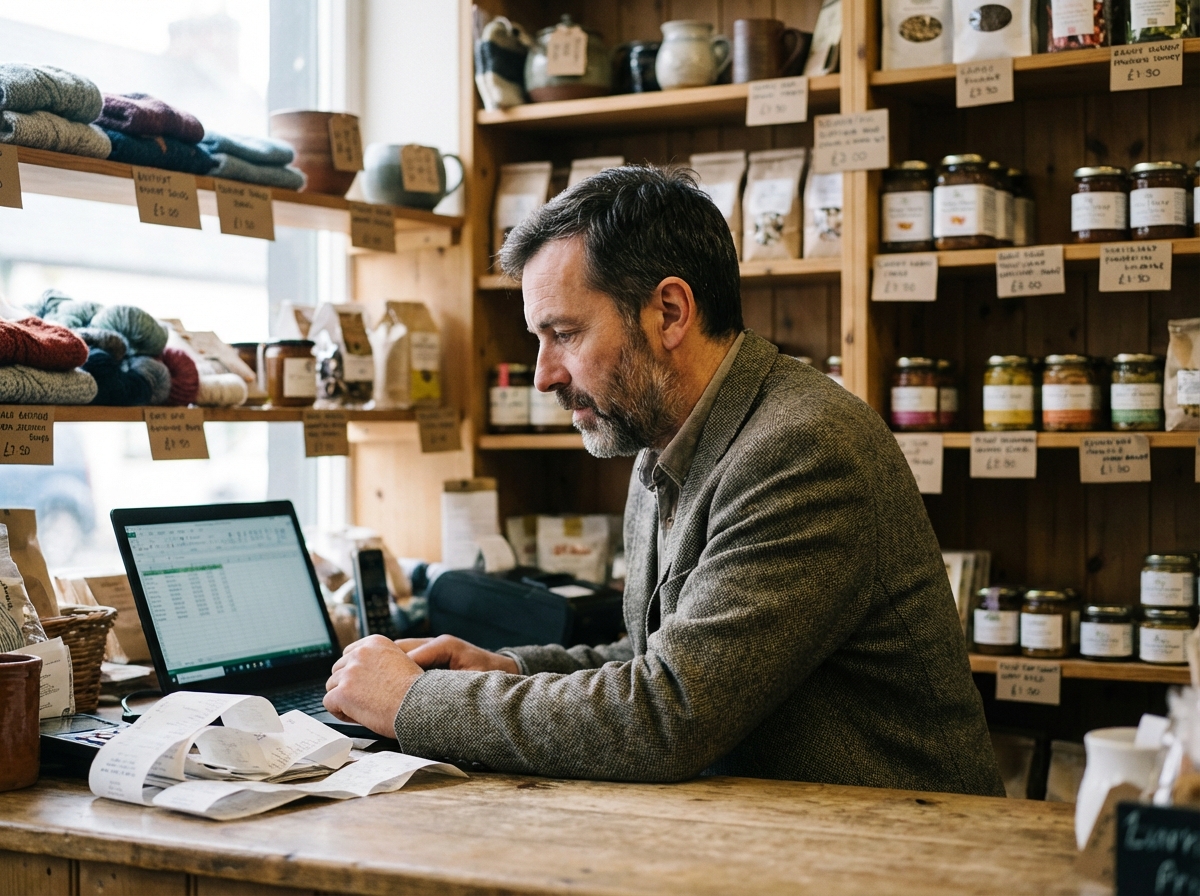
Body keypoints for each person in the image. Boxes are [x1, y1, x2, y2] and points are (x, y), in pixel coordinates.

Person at [324, 165, 1004, 795]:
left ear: (670, 313)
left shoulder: (802, 448)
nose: (544, 375)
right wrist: (511, 670)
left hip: (900, 857)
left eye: (563, 333)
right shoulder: (664, 443)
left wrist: (411, 703)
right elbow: (656, 655)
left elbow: (667, 715)